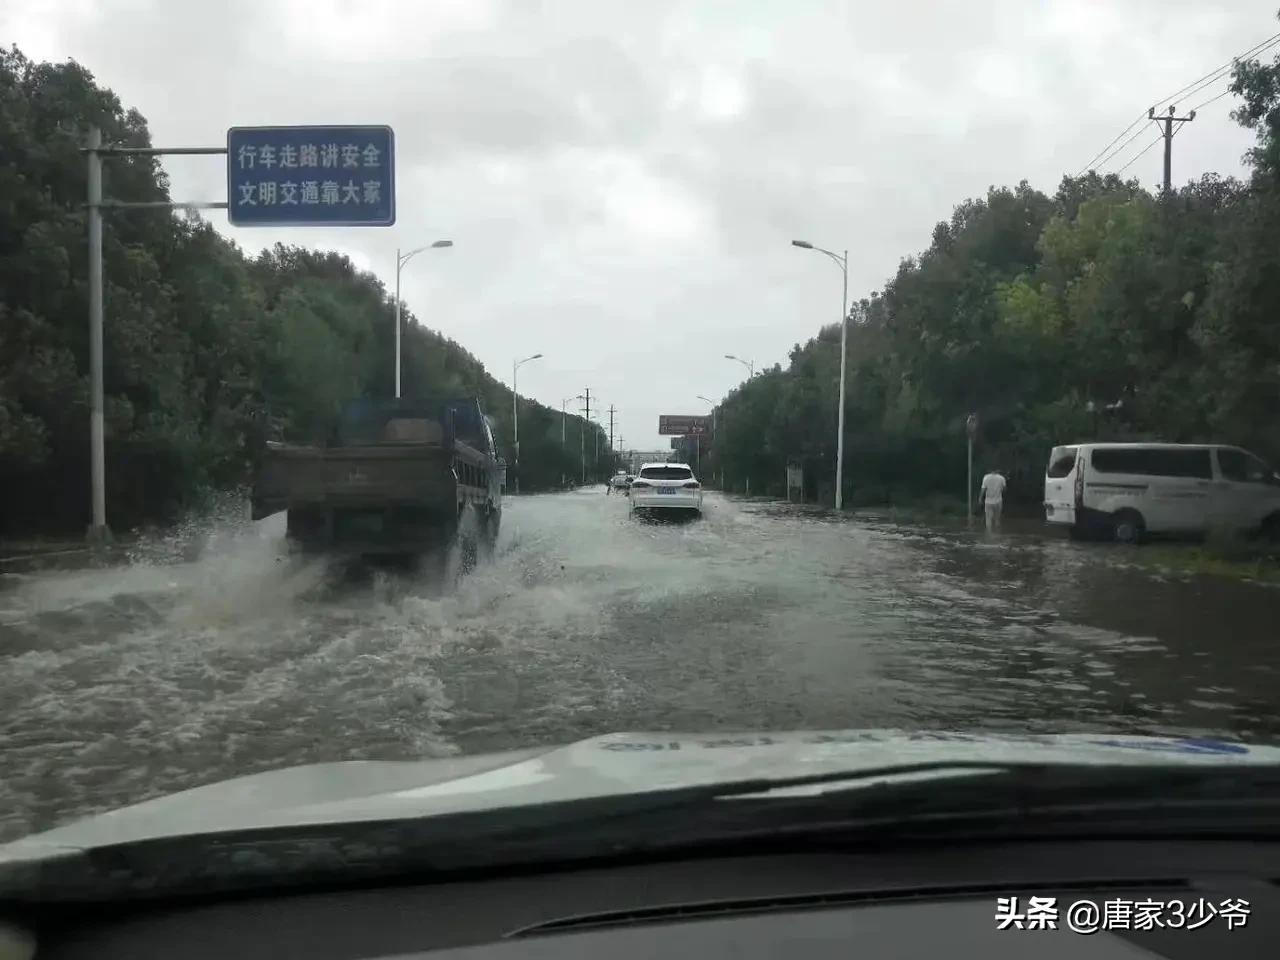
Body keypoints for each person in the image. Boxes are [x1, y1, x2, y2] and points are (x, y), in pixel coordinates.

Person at [979, 466, 1006, 533]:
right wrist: (1000, 490)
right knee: (997, 519)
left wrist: (980, 498)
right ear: (997, 469)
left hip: (988, 502)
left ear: (990, 470)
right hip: (998, 501)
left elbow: (983, 489)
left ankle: (989, 536)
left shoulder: (986, 477)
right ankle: (997, 535)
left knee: (988, 520)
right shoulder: (1001, 478)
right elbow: (1004, 489)